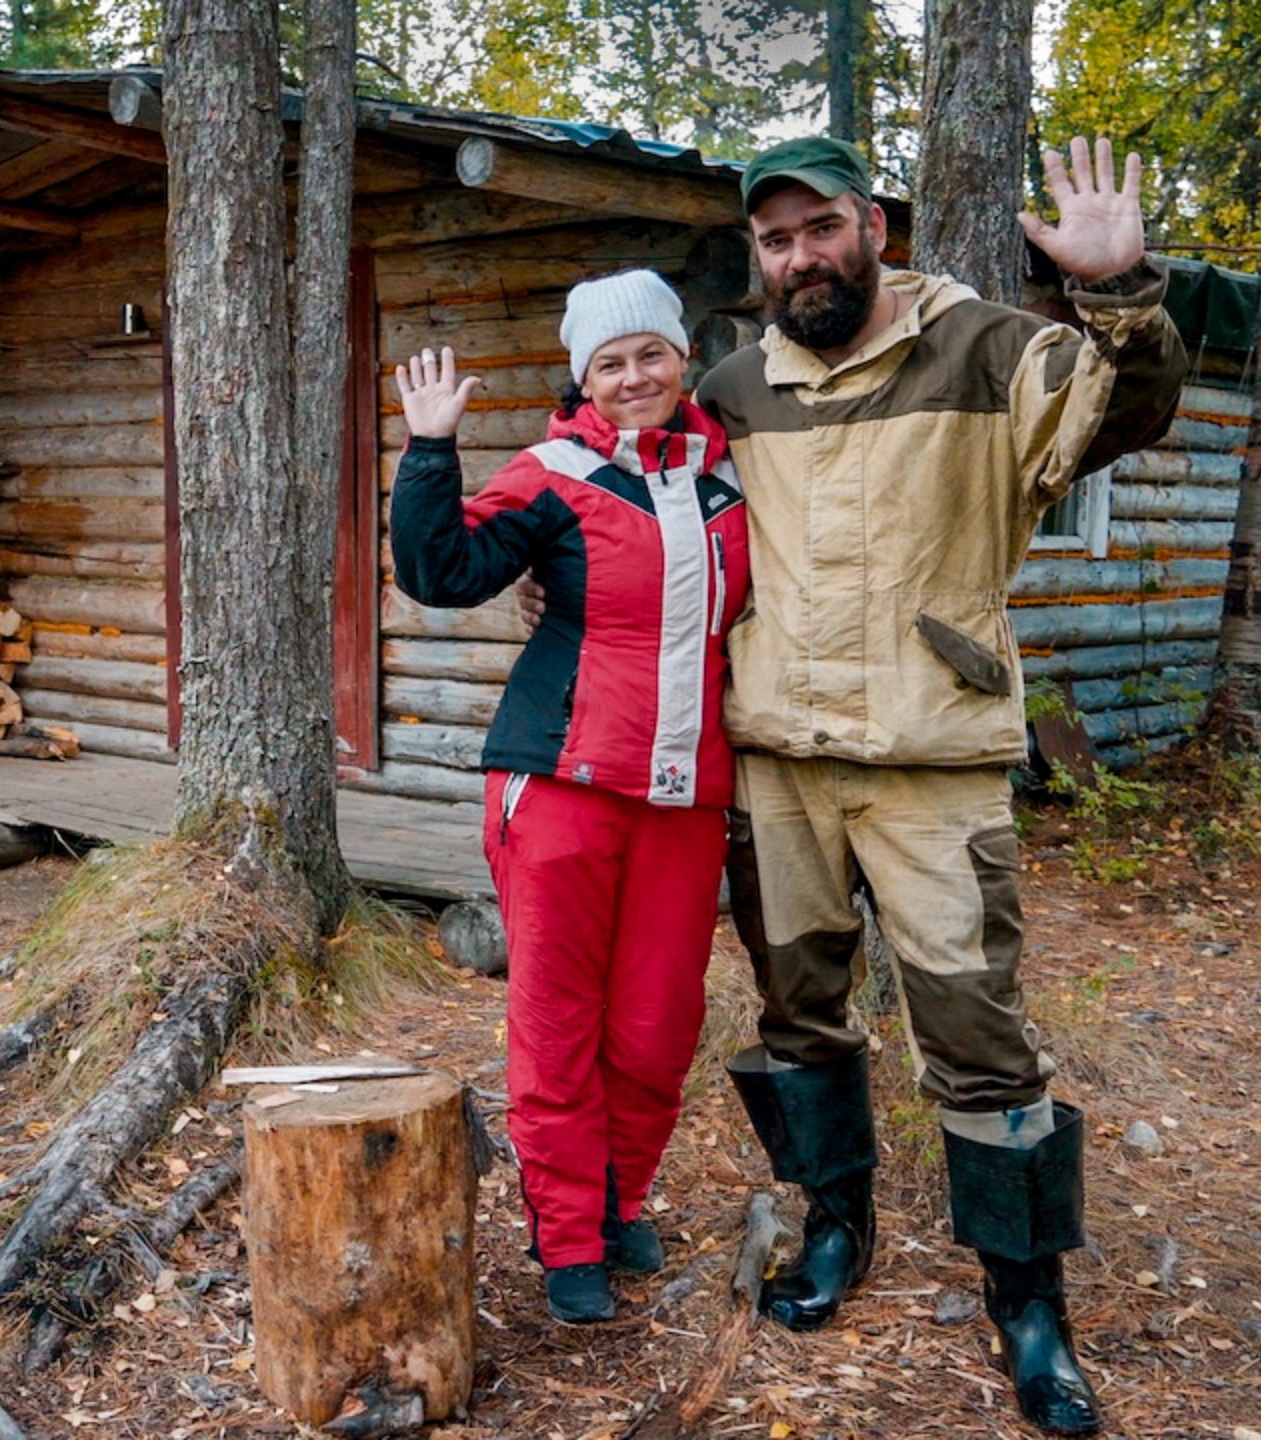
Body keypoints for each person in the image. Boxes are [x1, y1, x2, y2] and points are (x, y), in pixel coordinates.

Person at [526, 137, 1184, 1430]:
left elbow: (1130, 407)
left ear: (872, 224)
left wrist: (1121, 296)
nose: (800, 256)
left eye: (821, 228)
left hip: (933, 761)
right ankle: (839, 1225)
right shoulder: (729, 385)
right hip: (776, 763)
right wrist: (557, 569)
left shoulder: (984, 350)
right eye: (775, 240)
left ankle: (1027, 1297)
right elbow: (620, 471)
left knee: (979, 1039)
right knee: (801, 1016)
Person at [389, 270, 750, 1326]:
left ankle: (620, 1198)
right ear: (581, 377)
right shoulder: (552, 473)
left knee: (655, 1025)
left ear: (682, 358)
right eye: (609, 362)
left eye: (649, 353)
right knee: (556, 1023)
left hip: (684, 796)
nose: (633, 376)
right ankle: (566, 1239)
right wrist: (427, 449)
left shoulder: (733, 484)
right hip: (559, 783)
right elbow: (440, 570)